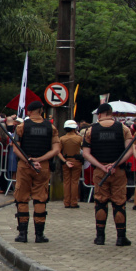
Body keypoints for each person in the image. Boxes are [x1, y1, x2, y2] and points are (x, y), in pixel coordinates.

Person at [82, 103, 135, 246]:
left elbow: (86, 154)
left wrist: (101, 166)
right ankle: (121, 237)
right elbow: (129, 150)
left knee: (100, 202)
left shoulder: (90, 130)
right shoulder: (124, 128)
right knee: (119, 203)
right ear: (111, 113)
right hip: (118, 171)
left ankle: (100, 237)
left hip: (100, 171)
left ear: (99, 114)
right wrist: (115, 164)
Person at [11, 101, 61, 243]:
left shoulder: (22, 127)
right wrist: (40, 159)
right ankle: (39, 235)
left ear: (29, 111)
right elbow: (56, 150)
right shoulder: (51, 127)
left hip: (25, 166)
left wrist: (30, 161)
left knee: (22, 197)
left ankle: (22, 234)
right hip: (43, 166)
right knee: (40, 198)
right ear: (41, 111)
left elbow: (16, 149)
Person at [58, 119, 83, 209]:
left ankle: (66, 202)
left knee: (67, 182)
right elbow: (84, 148)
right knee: (74, 182)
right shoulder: (79, 138)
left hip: (66, 161)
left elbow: (58, 152)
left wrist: (64, 161)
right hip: (76, 161)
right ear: (74, 128)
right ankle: (74, 202)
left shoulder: (62, 139)